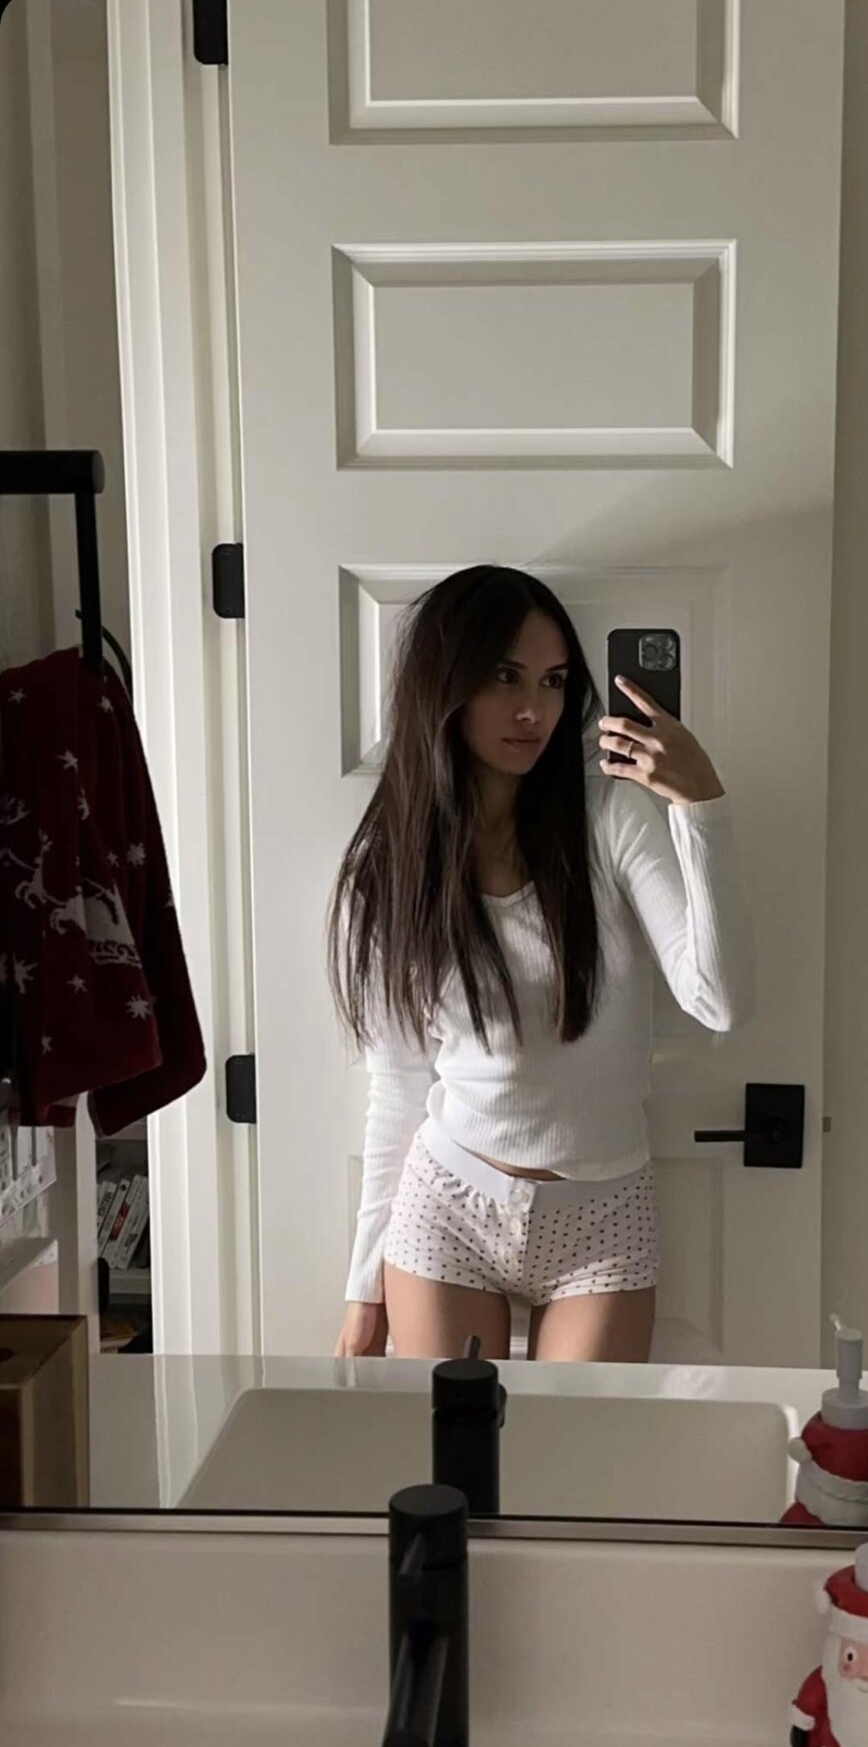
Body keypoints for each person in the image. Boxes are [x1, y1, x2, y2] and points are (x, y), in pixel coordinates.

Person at [327, 565, 755, 1363]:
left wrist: (701, 806)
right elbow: (398, 1085)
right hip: (449, 1205)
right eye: (505, 677)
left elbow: (718, 1000)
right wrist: (363, 1293)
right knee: (456, 1444)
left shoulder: (609, 817)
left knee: (577, 1444)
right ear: (446, 685)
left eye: (554, 681)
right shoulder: (389, 873)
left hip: (604, 1216)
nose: (535, 710)